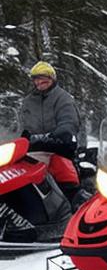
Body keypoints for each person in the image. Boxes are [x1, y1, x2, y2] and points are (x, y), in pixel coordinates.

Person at [18, 61, 82, 202]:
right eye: (36, 78)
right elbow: (22, 124)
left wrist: (56, 134)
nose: (40, 81)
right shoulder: (28, 101)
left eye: (44, 77)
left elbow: (69, 121)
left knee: (60, 173)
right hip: (33, 147)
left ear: (52, 78)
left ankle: (67, 203)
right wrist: (18, 136)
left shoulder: (62, 98)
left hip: (57, 145)